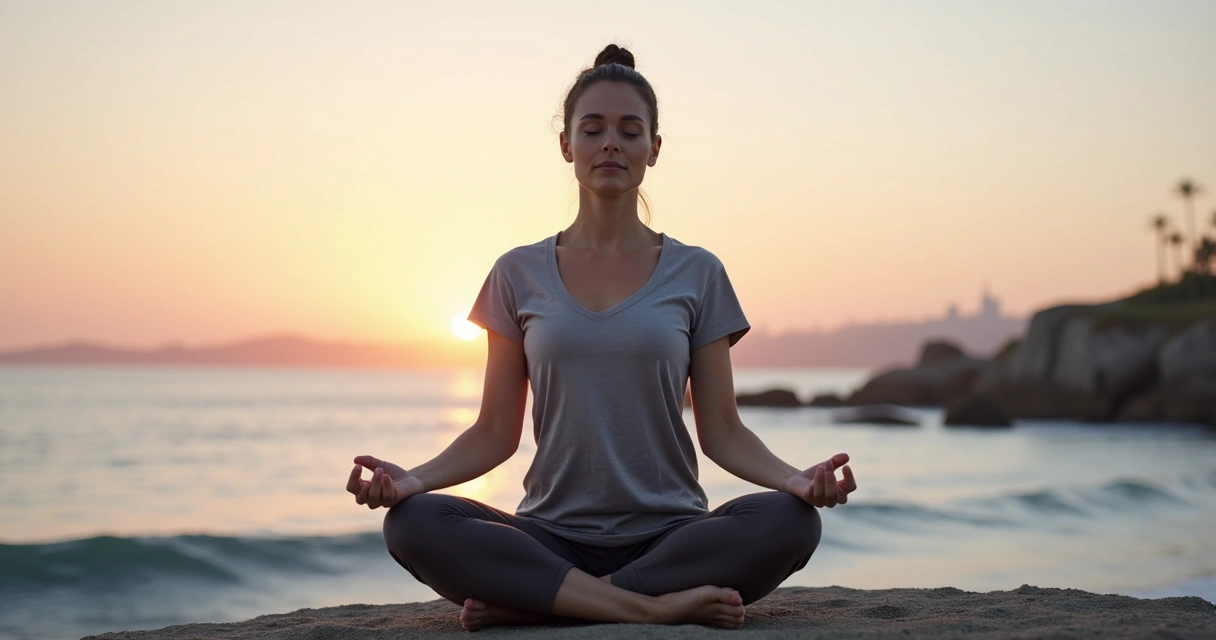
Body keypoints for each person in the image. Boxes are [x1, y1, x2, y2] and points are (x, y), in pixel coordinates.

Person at [345, 43, 858, 632]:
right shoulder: (517, 273)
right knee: (412, 523)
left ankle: (544, 605)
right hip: (551, 537)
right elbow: (493, 433)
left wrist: (795, 481)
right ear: (567, 145)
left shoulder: (698, 272)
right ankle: (651, 608)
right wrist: (411, 481)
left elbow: (721, 430)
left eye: (629, 130)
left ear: (653, 149)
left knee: (791, 522)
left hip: (671, 538)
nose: (610, 142)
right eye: (592, 129)